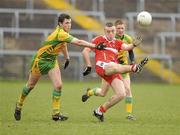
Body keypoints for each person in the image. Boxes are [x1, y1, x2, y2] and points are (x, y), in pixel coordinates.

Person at [14, 13, 106, 122]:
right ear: (60, 24)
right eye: (67, 23)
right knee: (30, 86)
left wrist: (67, 58)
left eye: (70, 23)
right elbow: (78, 42)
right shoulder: (60, 33)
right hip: (40, 61)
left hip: (52, 61)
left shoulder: (64, 34)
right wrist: (95, 46)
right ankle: (19, 105)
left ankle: (56, 114)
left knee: (58, 85)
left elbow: (63, 44)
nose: (69, 25)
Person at [81, 22, 148, 122]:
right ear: (104, 31)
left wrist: (134, 44)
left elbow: (126, 47)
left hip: (113, 69)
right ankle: (134, 68)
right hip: (102, 67)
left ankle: (99, 111)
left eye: (113, 31)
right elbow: (85, 51)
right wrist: (89, 66)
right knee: (114, 65)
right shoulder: (98, 39)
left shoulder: (117, 42)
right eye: (108, 31)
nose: (111, 33)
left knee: (121, 94)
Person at [114, 19, 136, 120]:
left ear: (124, 28)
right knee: (102, 92)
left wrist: (132, 61)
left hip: (124, 67)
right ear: (115, 29)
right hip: (112, 68)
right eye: (118, 28)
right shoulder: (111, 38)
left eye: (122, 28)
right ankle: (90, 92)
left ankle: (129, 114)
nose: (120, 30)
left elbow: (130, 51)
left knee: (127, 89)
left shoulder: (128, 38)